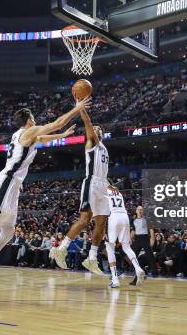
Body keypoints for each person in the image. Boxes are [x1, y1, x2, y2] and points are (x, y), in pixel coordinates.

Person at [0, 98, 90, 299]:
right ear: (29, 120)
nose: (35, 121)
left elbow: (45, 139)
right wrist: (76, 109)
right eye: (34, 118)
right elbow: (56, 123)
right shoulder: (28, 131)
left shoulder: (23, 135)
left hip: (13, 187)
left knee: (7, 232)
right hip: (6, 183)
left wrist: (64, 135)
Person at [52, 105, 110, 275]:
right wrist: (81, 108)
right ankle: (61, 249)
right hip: (91, 182)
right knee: (85, 220)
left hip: (103, 185)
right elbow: (87, 122)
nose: (95, 129)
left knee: (101, 224)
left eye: (98, 128)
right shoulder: (91, 142)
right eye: (94, 128)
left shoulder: (103, 148)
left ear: (102, 133)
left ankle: (91, 258)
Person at [103, 186, 145, 288]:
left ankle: (115, 279)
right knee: (126, 247)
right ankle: (138, 268)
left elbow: (102, 212)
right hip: (124, 216)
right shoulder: (118, 192)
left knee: (109, 248)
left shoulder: (104, 192)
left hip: (114, 217)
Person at [130, 206, 157, 276]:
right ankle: (138, 269)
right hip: (137, 238)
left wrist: (152, 238)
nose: (139, 210)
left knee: (150, 255)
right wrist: (129, 239)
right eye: (138, 209)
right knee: (132, 254)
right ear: (136, 211)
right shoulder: (133, 220)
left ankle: (154, 271)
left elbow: (151, 229)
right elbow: (133, 230)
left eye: (141, 209)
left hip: (145, 238)